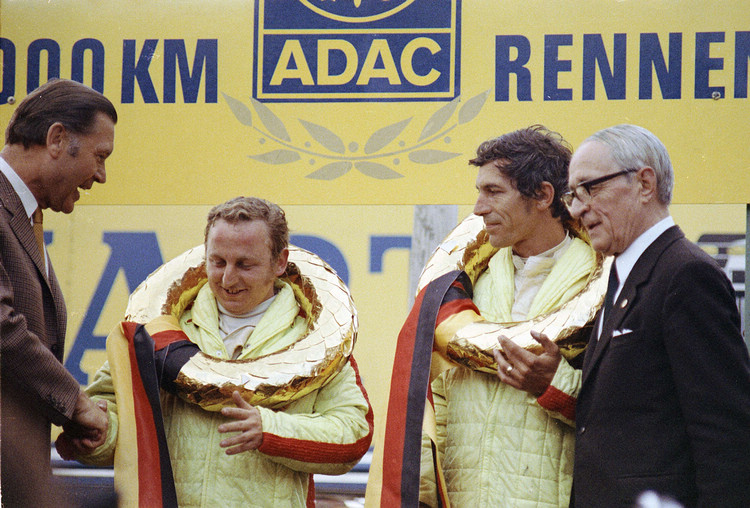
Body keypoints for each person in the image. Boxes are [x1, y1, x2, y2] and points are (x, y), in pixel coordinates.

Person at [59, 197, 374, 506]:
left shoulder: (314, 343)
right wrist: (100, 435)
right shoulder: (159, 330)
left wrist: (270, 429)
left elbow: (353, 434)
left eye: (245, 264)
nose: (228, 278)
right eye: (218, 262)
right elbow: (113, 420)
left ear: (280, 262)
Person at [373, 126, 598, 507]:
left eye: (493, 192)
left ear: (543, 195)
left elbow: (627, 413)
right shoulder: (466, 285)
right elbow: (436, 400)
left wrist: (554, 385)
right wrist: (421, 496)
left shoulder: (597, 283)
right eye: (479, 192)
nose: (478, 208)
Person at [565, 124, 750, 507]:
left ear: (645, 183)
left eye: (590, 188)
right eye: (572, 194)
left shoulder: (686, 275)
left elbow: (725, 434)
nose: (578, 208)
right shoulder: (620, 275)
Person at [0, 78, 117, 506]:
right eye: (99, 156)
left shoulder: (21, 218)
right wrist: (76, 403)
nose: (101, 175)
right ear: (57, 139)